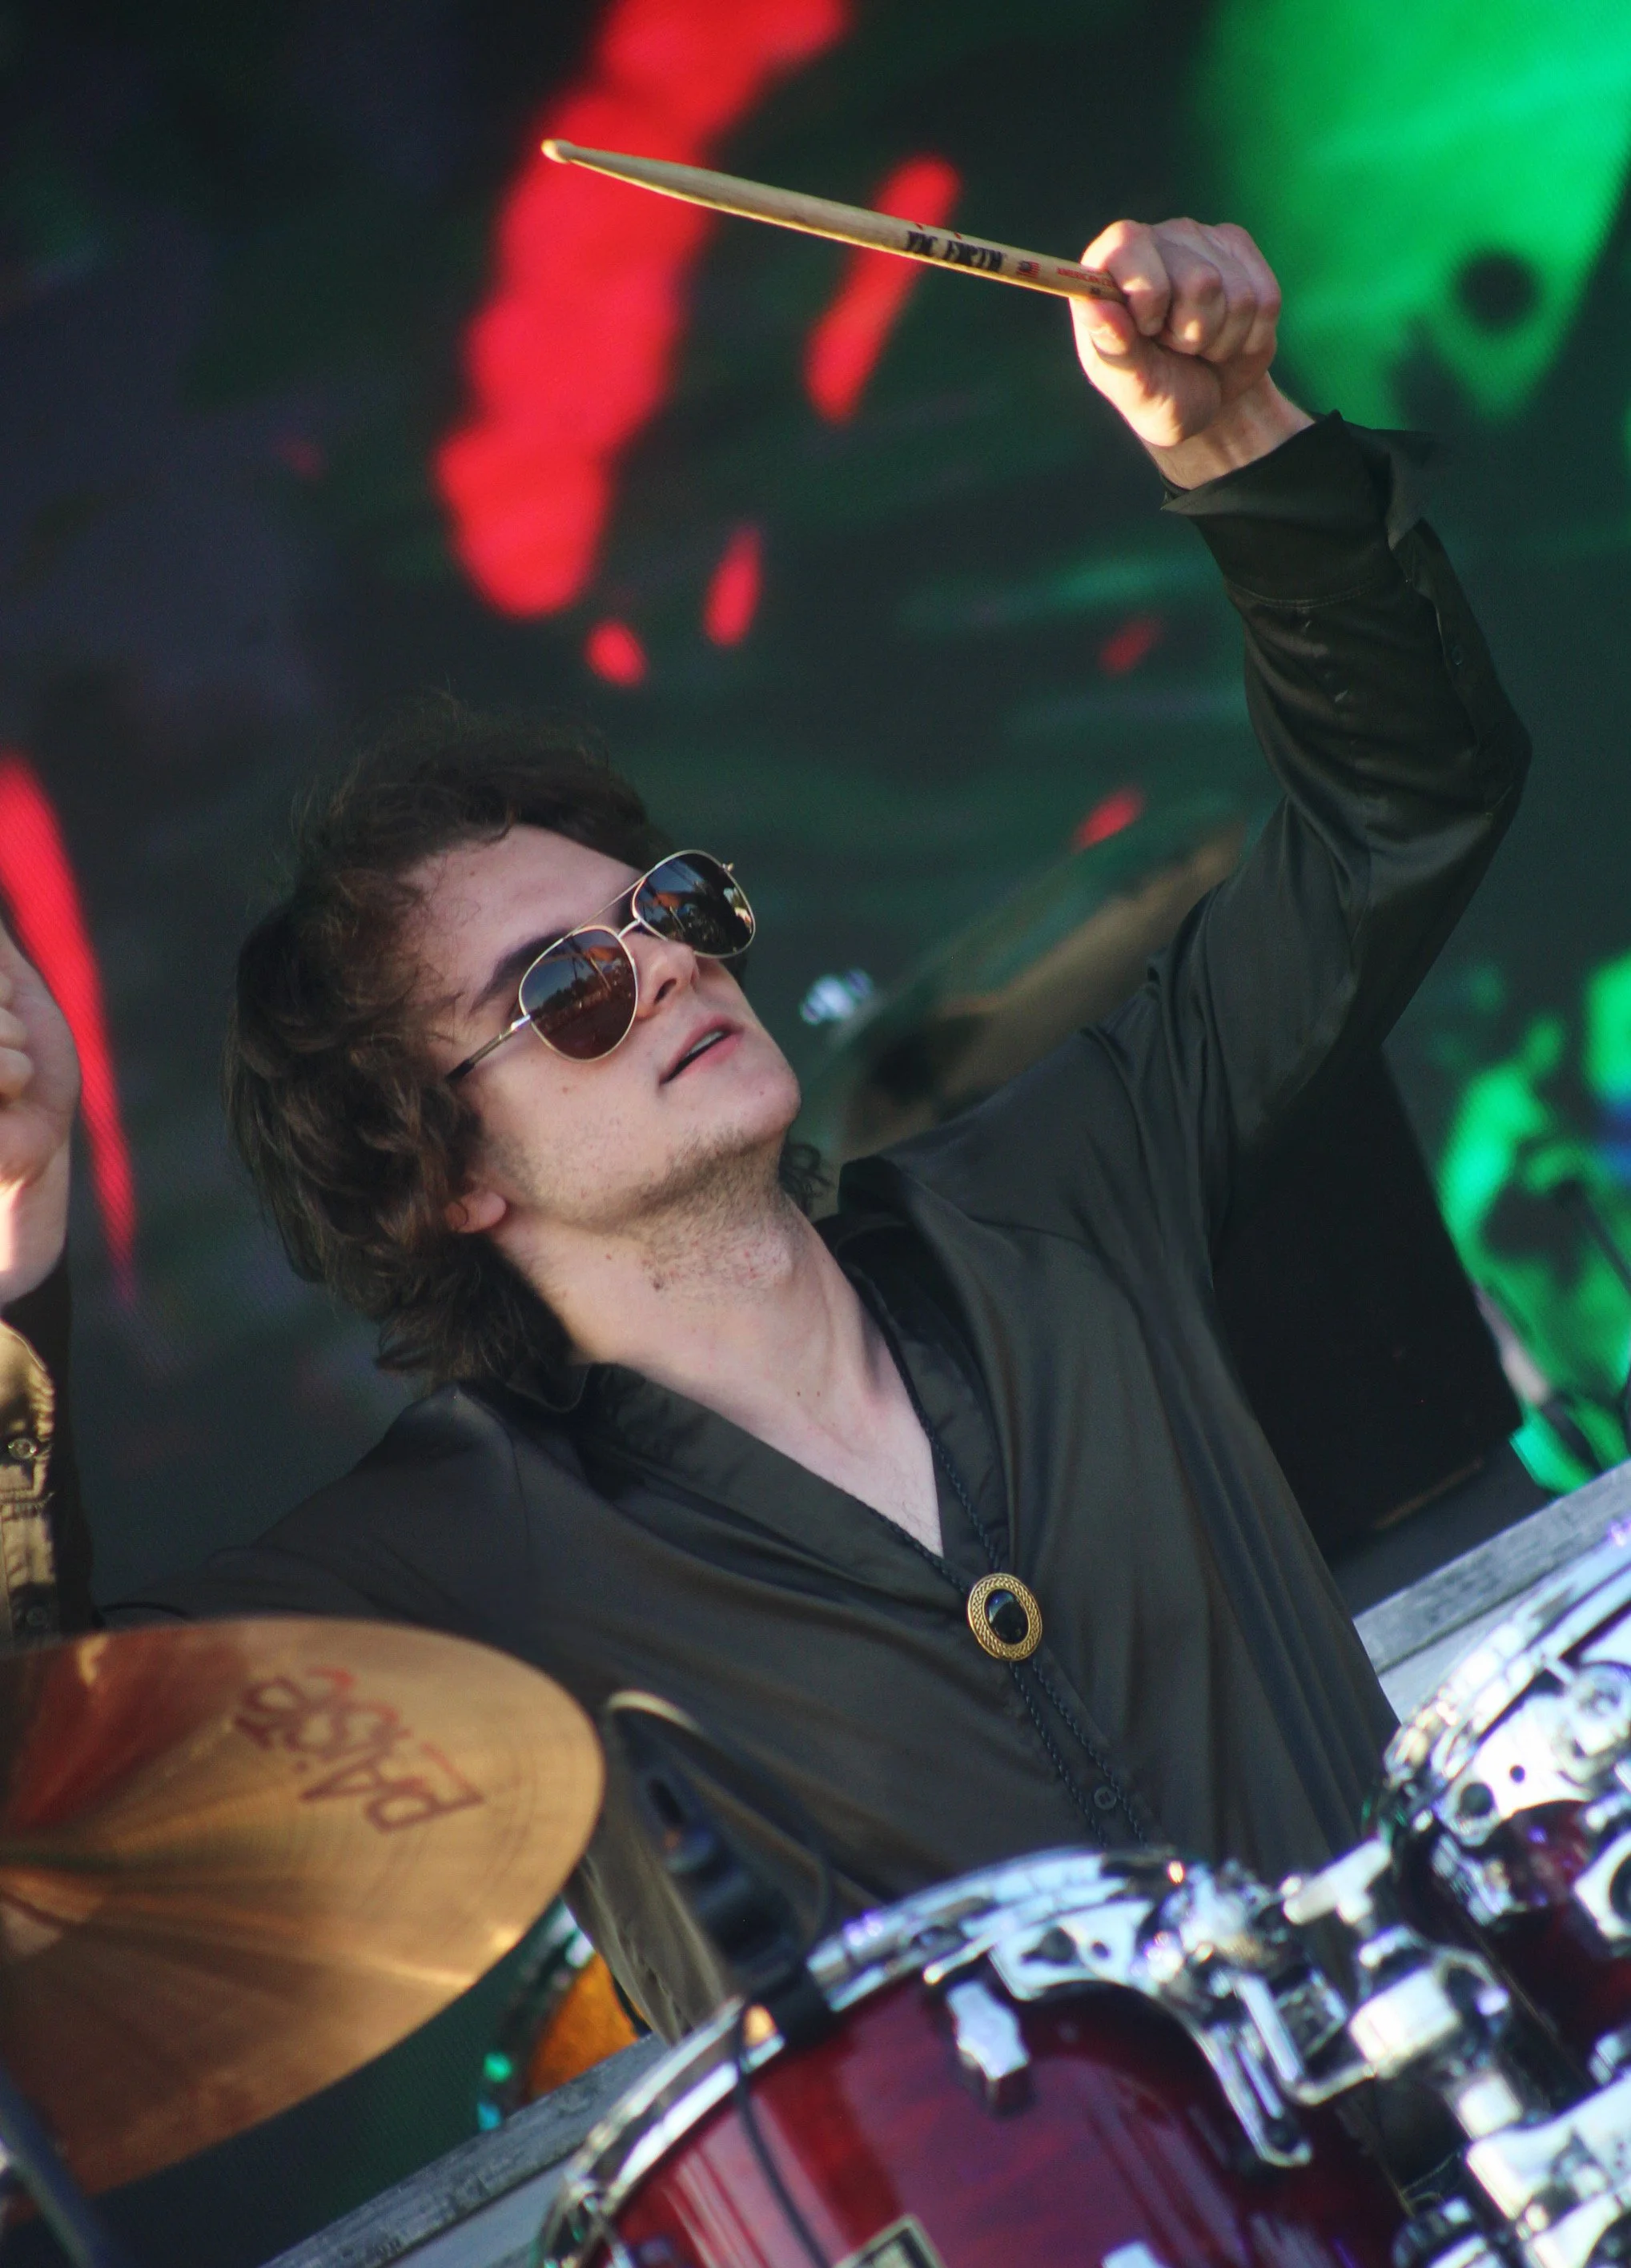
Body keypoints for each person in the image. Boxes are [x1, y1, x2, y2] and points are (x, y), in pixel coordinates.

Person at [0, 219, 1529, 2038]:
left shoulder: (1067, 1188)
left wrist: (1240, 448)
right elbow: (44, 1771)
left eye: (669, 907)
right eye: (572, 985)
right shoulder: (458, 1551)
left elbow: (1404, 806)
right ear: (444, 1175)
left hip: (1461, 2121)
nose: (668, 964)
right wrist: (18, 1238)